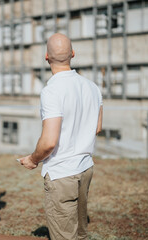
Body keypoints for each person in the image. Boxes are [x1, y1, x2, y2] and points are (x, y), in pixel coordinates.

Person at [19, 33, 103, 240]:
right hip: (85, 169)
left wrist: (32, 159)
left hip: (62, 174)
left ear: (46, 57)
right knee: (80, 234)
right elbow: (97, 127)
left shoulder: (52, 91)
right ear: (73, 54)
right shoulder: (93, 87)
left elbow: (49, 142)